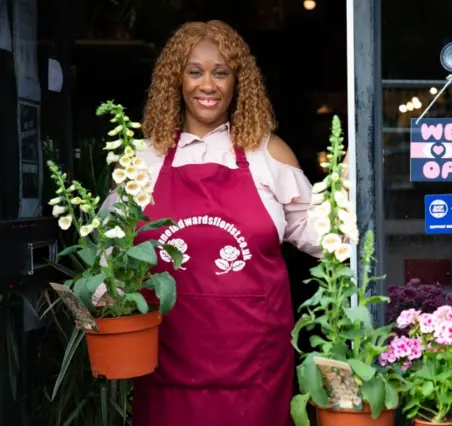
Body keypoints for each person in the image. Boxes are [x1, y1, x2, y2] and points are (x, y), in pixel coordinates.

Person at [101, 20, 341, 426]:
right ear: (176, 80)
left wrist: (349, 187)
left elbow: (326, 239)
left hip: (256, 369)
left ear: (238, 82)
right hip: (166, 365)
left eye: (221, 72)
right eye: (194, 72)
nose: (207, 85)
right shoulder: (141, 160)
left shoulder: (268, 154)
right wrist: (108, 296)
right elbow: (109, 251)